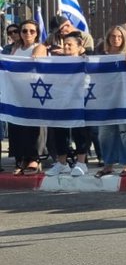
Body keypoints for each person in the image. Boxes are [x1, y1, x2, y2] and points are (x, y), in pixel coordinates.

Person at [44, 32, 92, 177]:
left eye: (70, 44)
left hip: (81, 100)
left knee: (80, 131)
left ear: (79, 47)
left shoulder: (86, 61)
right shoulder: (57, 62)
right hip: (61, 100)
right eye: (64, 44)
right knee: (60, 131)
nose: (66, 47)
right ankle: (62, 163)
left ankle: (81, 163)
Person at [94, 26, 126, 178]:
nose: (116, 39)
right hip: (105, 97)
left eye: (119, 37)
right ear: (108, 38)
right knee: (105, 133)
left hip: (125, 94)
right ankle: (108, 164)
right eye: (113, 36)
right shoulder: (101, 55)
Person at [7, 20, 48, 175]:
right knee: (17, 125)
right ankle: (21, 158)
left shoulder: (39, 47)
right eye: (24, 31)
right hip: (17, 92)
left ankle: (34, 159)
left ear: (37, 33)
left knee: (33, 126)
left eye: (32, 31)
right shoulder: (15, 48)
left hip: (34, 91)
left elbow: (33, 63)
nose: (28, 34)